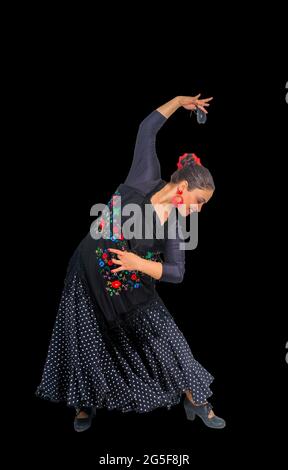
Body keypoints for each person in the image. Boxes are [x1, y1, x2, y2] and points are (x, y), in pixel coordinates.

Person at [36, 95, 226, 431]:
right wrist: (179, 101)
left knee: (167, 339)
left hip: (128, 285)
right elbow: (147, 129)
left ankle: (196, 401)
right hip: (87, 272)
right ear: (182, 187)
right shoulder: (144, 176)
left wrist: (138, 262)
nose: (199, 210)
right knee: (85, 337)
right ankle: (85, 405)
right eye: (199, 202)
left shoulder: (175, 225)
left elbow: (176, 273)